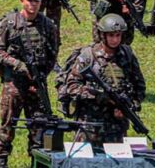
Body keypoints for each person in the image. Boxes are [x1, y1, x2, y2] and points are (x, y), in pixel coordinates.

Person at [0, 0, 58, 168]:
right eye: (30, 1)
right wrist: (19, 66)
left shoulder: (48, 26)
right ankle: (2, 164)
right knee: (8, 123)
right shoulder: (10, 23)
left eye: (37, 1)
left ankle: (37, 164)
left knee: (38, 125)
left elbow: (53, 55)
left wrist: (40, 76)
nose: (33, 5)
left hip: (37, 83)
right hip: (14, 84)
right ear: (22, 0)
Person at [62, 14, 145, 145]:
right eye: (111, 35)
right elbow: (72, 86)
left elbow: (139, 86)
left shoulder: (127, 55)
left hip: (117, 127)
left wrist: (129, 106)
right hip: (90, 125)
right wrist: (98, 97)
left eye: (118, 35)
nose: (115, 39)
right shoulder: (88, 55)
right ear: (103, 35)